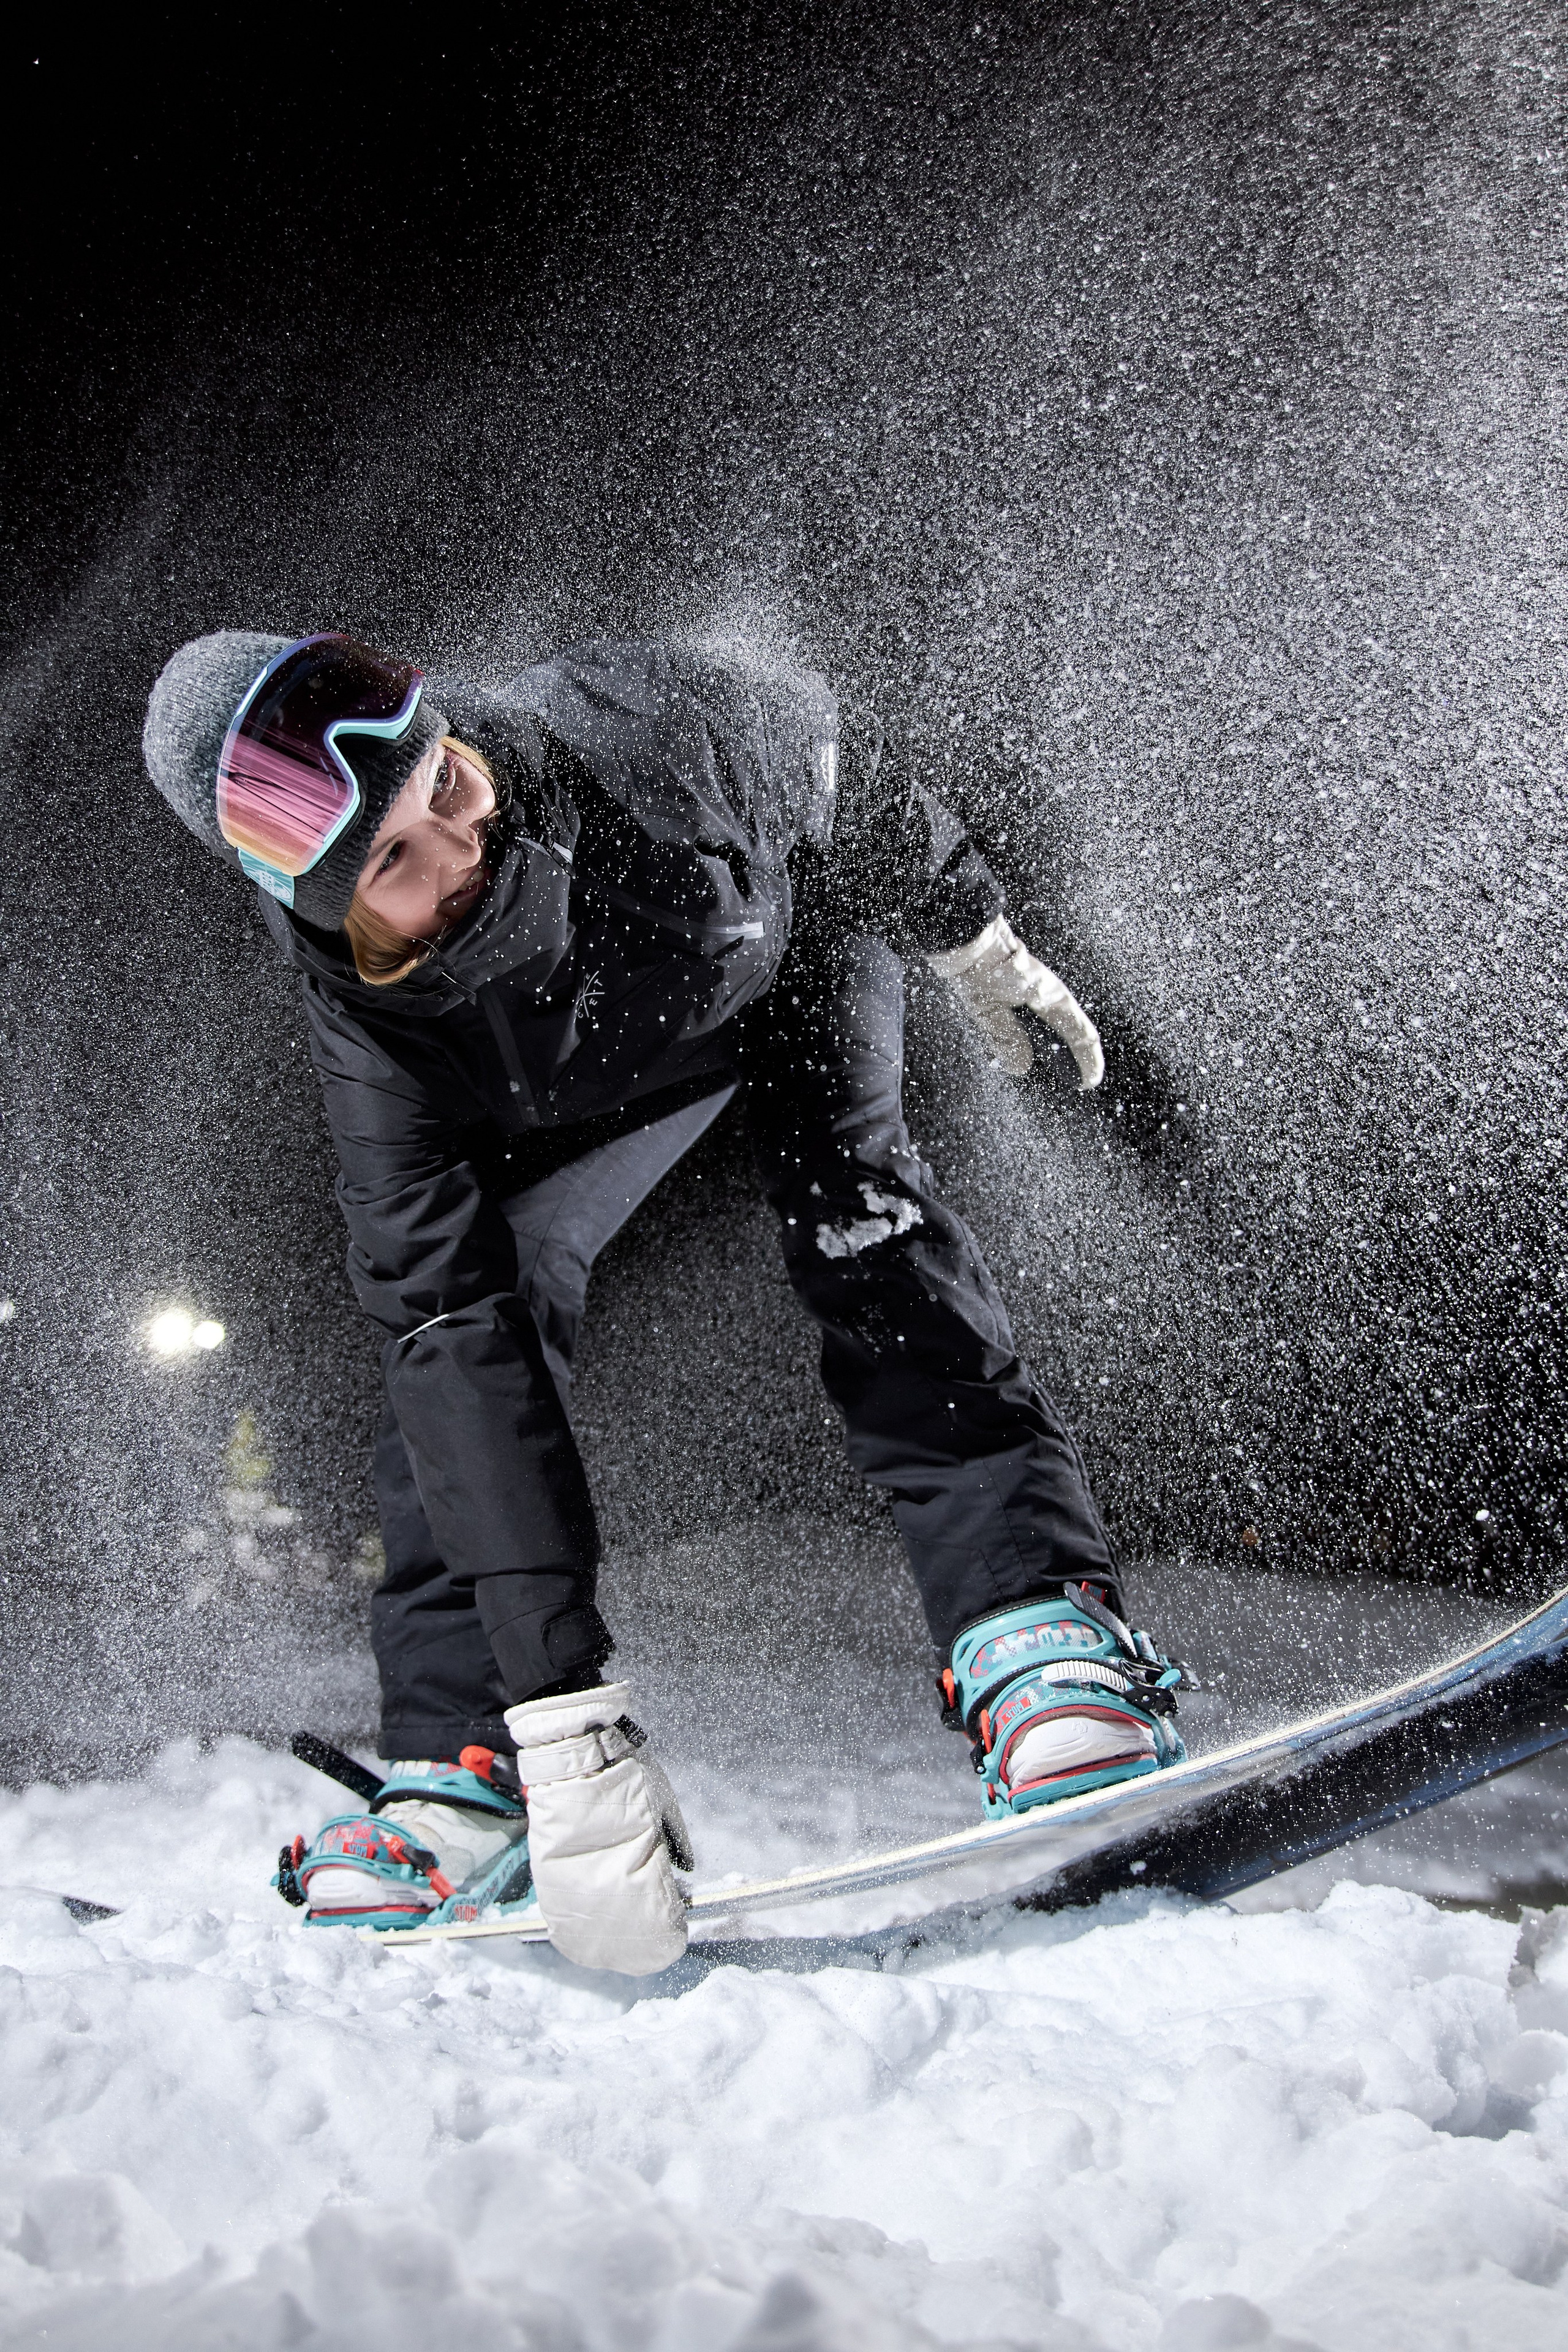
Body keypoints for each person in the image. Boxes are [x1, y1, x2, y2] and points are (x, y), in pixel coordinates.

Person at [142, 630, 1185, 1974]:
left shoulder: (646, 727)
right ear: (333, 909)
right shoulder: (378, 1045)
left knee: (861, 1223)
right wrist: (564, 1724)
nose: (459, 850)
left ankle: (1033, 1625)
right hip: (567, 1080)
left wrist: (969, 930)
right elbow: (452, 1340)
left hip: (779, 965)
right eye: (394, 861)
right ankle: (466, 1767)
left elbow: (843, 776)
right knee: (461, 1358)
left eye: (444, 785)